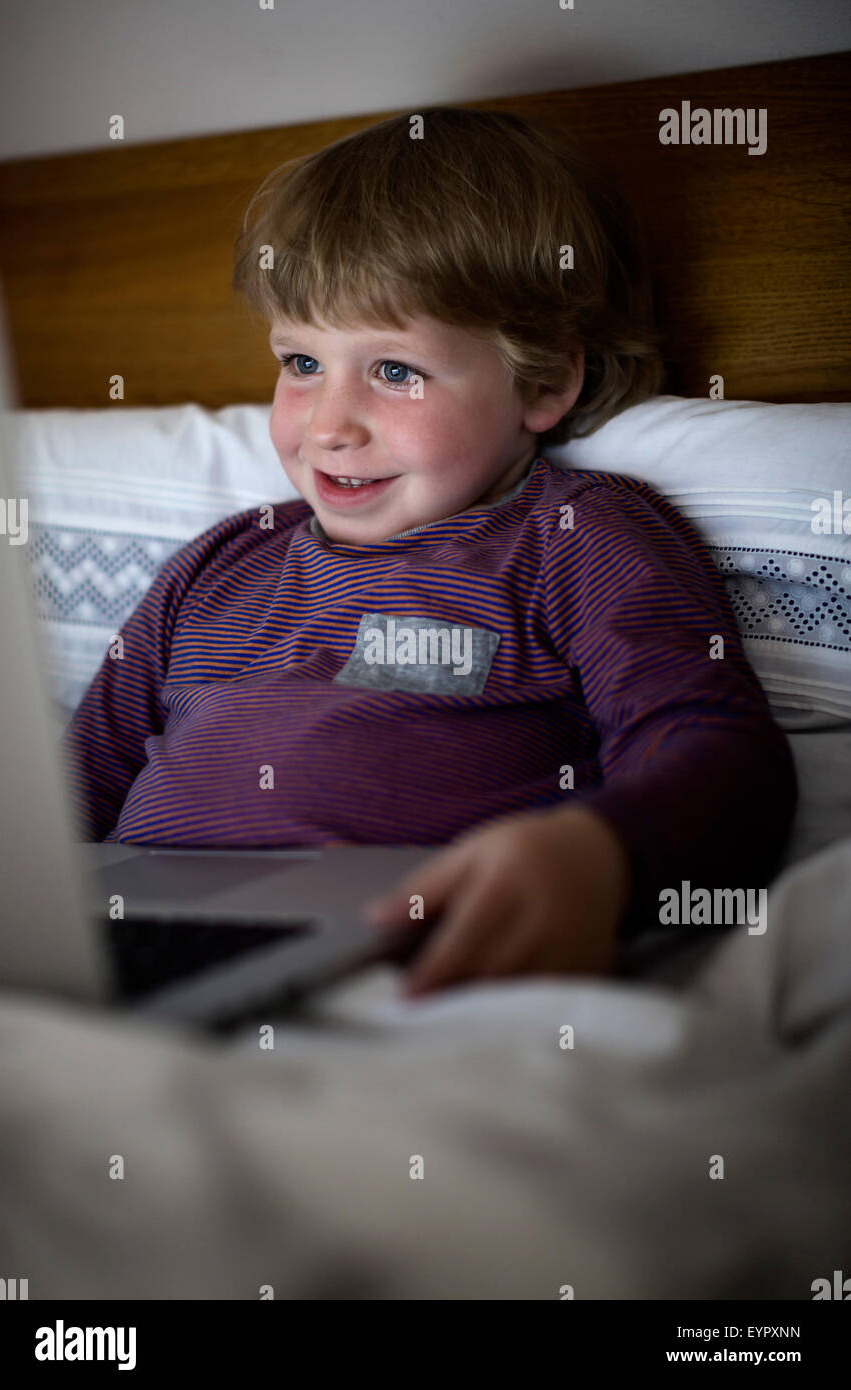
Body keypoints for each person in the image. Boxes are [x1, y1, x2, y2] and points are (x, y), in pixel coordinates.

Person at [60, 107, 797, 999]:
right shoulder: (216, 567)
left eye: (396, 371)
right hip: (136, 948)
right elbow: (75, 790)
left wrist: (600, 851)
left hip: (408, 961)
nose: (329, 426)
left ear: (544, 382)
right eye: (300, 362)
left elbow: (719, 754)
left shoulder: (576, 539)